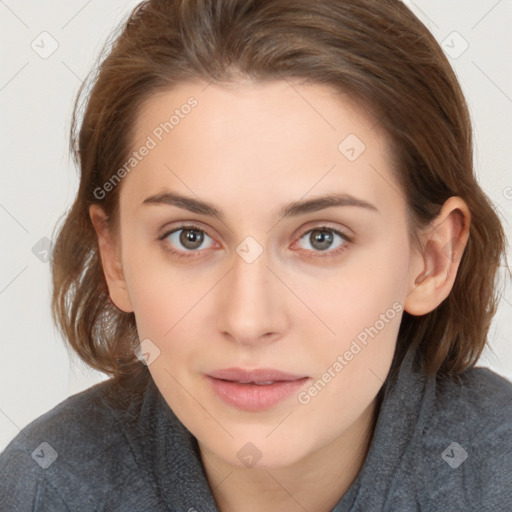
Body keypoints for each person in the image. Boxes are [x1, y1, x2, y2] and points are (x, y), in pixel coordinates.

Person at [1, 0, 511, 510]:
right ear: (114, 258)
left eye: (321, 238)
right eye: (190, 237)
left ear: (432, 259)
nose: (248, 321)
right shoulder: (44, 486)